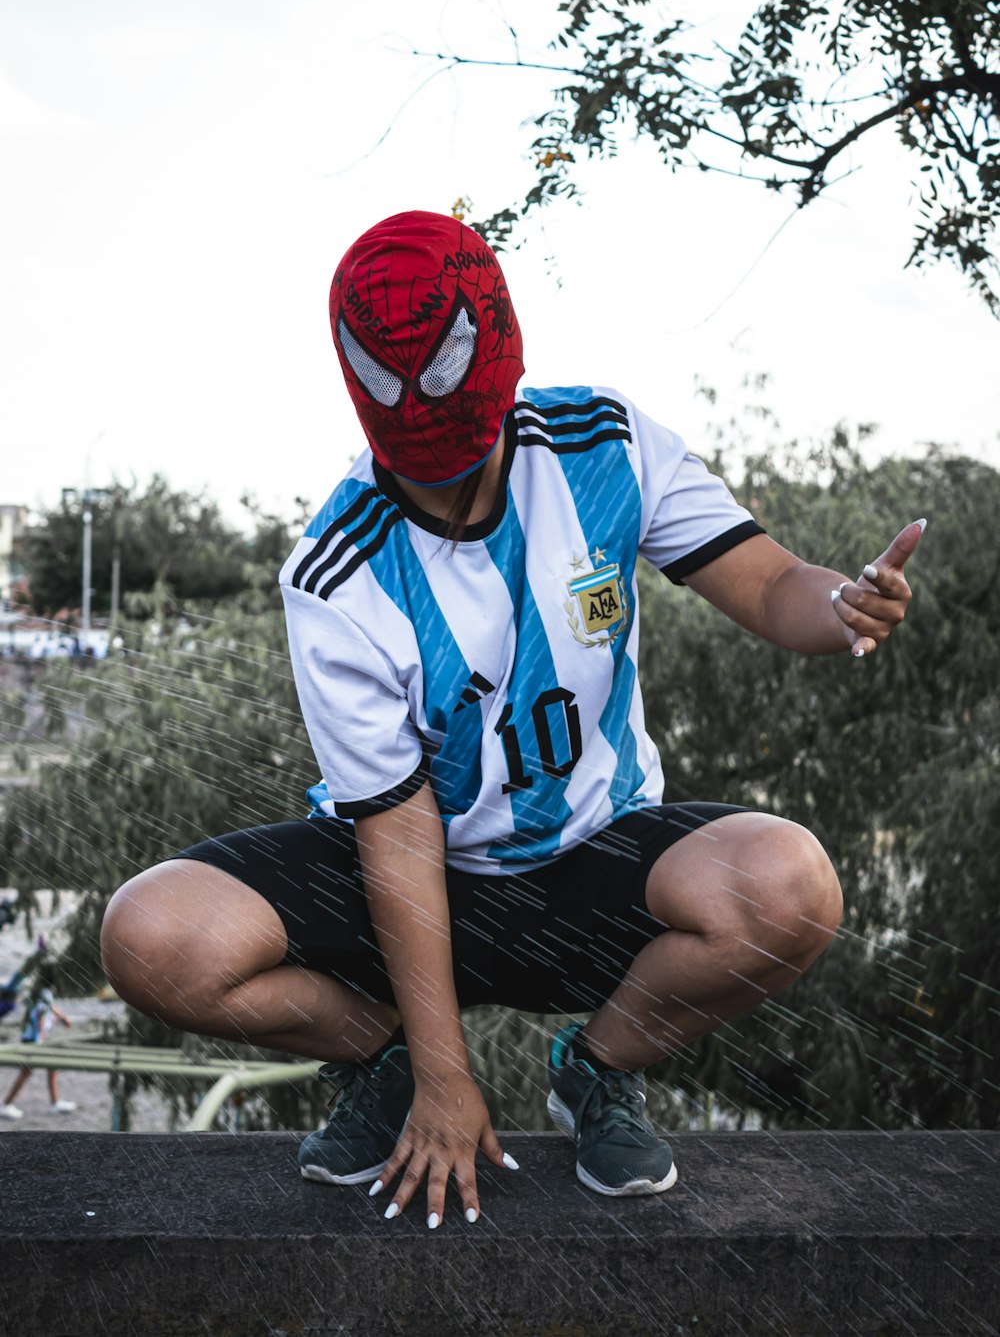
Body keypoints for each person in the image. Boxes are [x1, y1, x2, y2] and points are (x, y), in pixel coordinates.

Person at [101, 210, 921, 1226]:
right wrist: (444, 1076)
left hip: (591, 856)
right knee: (151, 935)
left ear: (502, 361)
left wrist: (839, 606)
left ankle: (596, 1068)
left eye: (461, 443)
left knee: (792, 887)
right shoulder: (335, 571)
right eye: (414, 455)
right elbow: (396, 840)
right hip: (410, 876)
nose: (441, 484)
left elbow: (769, 587)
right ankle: (380, 1052)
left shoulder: (605, 444)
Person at [1, 968, 76, 1119]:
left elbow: (48, 1007)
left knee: (52, 1067)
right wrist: (40, 1038)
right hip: (34, 1039)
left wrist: (63, 1018)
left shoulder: (39, 992)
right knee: (26, 1072)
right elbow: (40, 1014)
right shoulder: (44, 993)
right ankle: (7, 1105)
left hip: (32, 1037)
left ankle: (55, 1102)